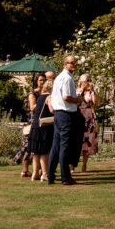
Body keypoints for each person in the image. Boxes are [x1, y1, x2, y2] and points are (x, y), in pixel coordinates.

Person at [47, 55, 83, 185]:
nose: (74, 65)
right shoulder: (67, 78)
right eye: (72, 62)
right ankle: (65, 177)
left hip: (59, 114)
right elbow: (66, 97)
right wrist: (78, 99)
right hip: (66, 114)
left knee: (56, 146)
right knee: (64, 147)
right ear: (65, 64)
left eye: (75, 62)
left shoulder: (58, 78)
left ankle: (50, 176)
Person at [14, 73, 43, 178]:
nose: (43, 82)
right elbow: (32, 107)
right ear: (36, 82)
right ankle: (25, 170)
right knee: (27, 146)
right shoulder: (33, 94)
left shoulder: (44, 93)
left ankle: (39, 169)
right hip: (33, 122)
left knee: (39, 146)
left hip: (42, 121)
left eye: (44, 80)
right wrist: (43, 101)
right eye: (40, 80)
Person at [28, 77, 54, 181]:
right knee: (44, 152)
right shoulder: (49, 97)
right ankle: (45, 174)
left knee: (36, 152)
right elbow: (52, 110)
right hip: (44, 127)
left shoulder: (39, 97)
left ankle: (35, 174)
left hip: (35, 126)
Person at [77, 74, 99, 173]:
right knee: (77, 140)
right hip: (79, 116)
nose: (89, 82)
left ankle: (84, 165)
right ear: (81, 82)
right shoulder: (77, 91)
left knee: (87, 140)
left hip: (90, 117)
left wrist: (93, 91)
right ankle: (73, 165)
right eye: (87, 80)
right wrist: (82, 90)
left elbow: (96, 102)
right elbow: (77, 102)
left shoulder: (91, 92)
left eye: (90, 80)